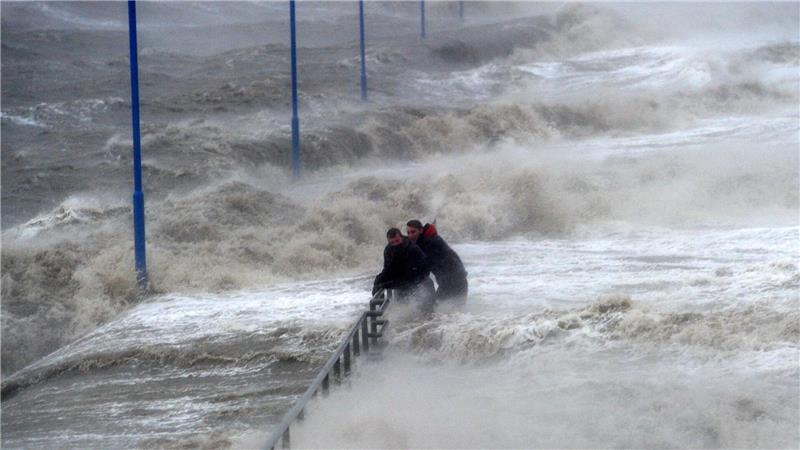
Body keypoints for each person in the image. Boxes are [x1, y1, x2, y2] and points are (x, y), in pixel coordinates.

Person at [406, 220, 468, 304]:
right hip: (453, 281)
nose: (410, 235)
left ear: (421, 230)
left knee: (438, 312)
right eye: (408, 233)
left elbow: (421, 265)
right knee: (447, 313)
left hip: (454, 282)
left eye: (413, 232)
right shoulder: (427, 239)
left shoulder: (429, 243)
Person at [372, 228, 435, 310]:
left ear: (401, 238)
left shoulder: (412, 249)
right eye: (392, 242)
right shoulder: (388, 250)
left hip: (420, 281)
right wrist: (379, 282)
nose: (395, 244)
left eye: (397, 241)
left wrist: (389, 284)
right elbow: (387, 270)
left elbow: (425, 268)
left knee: (427, 312)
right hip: (403, 282)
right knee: (379, 283)